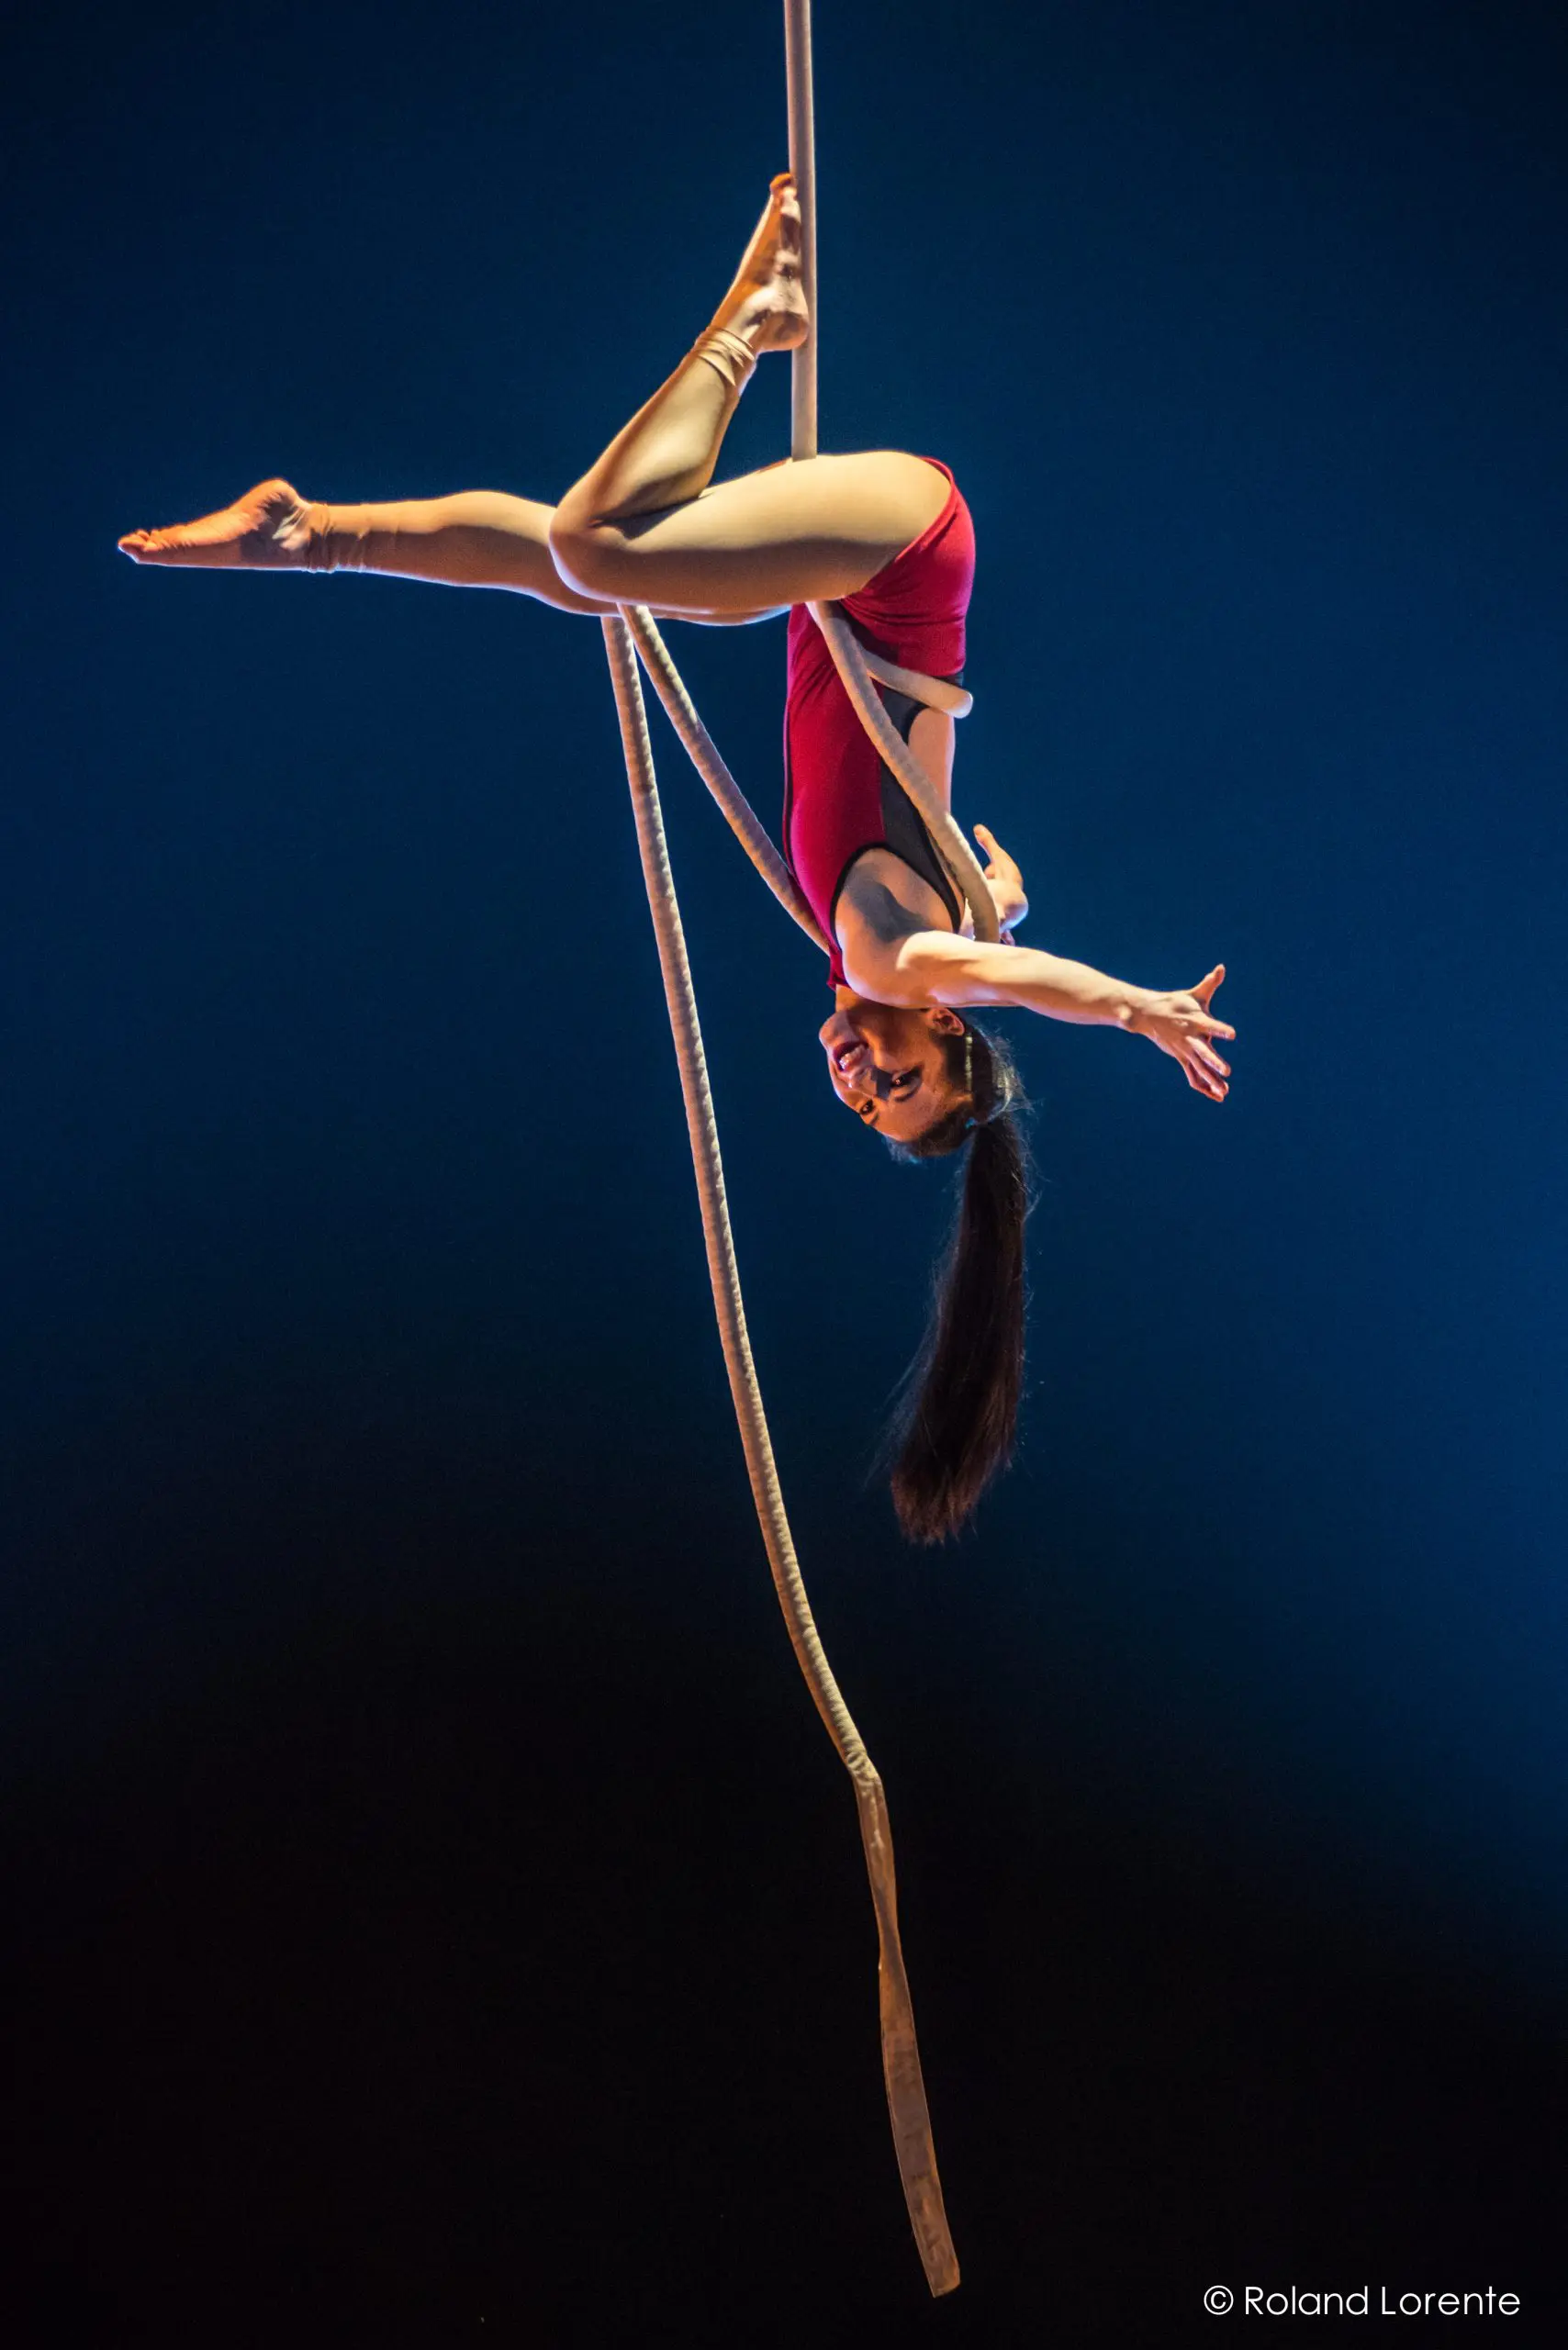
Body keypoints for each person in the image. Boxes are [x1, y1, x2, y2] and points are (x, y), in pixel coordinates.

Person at [118, 173, 1235, 1542]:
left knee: (563, 560)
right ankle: (749, 319)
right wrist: (1134, 1006)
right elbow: (1015, 976)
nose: (855, 1073)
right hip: (899, 554)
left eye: (858, 1103)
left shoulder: (887, 945)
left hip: (857, 573)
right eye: (896, 1081)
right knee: (600, 547)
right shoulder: (898, 958)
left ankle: (318, 533)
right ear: (944, 1035)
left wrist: (999, 898)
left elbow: (995, 919)